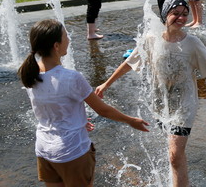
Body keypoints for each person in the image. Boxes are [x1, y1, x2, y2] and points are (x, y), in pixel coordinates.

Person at [95, 0, 206, 187]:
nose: (182, 18)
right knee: (174, 155)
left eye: (185, 13)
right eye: (176, 13)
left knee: (175, 155)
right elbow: (129, 63)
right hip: (161, 103)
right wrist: (106, 84)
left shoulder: (192, 43)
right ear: (165, 15)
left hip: (185, 104)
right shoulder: (151, 39)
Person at [19, 19, 150, 186]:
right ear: (56, 46)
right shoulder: (71, 78)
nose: (70, 39)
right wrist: (132, 121)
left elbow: (48, 107)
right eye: (66, 36)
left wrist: (77, 119)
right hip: (71, 151)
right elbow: (103, 111)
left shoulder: (29, 73)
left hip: (44, 150)